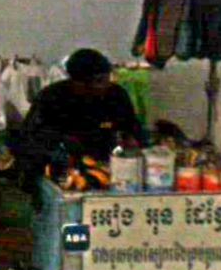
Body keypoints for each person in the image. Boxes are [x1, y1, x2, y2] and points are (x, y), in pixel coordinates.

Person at [15, 48, 143, 199]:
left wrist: (133, 144)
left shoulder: (116, 95)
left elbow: (132, 130)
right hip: (59, 170)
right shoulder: (51, 98)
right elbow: (29, 138)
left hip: (105, 167)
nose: (105, 85)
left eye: (107, 79)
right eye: (98, 81)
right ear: (78, 82)